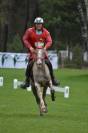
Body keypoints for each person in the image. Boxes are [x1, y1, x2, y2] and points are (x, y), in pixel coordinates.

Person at [21, 17, 59, 89]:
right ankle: (27, 81)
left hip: (42, 52)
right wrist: (30, 47)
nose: (38, 25)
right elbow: (25, 39)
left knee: (48, 63)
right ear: (35, 24)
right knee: (29, 64)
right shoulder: (29, 31)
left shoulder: (46, 32)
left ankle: (53, 79)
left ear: (42, 24)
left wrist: (45, 47)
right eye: (37, 24)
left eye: (40, 24)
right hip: (34, 52)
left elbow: (49, 41)